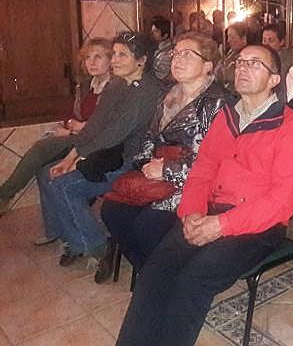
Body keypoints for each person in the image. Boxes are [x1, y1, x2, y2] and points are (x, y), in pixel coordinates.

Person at [115, 44, 293, 346]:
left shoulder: (291, 130)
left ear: (275, 80)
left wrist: (221, 225)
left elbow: (279, 203)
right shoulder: (228, 118)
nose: (243, 68)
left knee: (193, 279)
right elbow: (203, 171)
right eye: (241, 62)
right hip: (209, 212)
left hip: (259, 227)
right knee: (156, 270)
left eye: (255, 64)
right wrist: (192, 213)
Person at [97, 33, 228, 282]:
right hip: (159, 175)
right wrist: (146, 165)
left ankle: (162, 277)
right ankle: (151, 273)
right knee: (113, 210)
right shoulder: (168, 95)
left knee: (147, 224)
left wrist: (167, 169)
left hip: (195, 184)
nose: (177, 59)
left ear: (208, 65)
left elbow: (216, 161)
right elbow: (150, 137)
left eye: (187, 54)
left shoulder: (217, 102)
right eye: (176, 53)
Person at [36, 32, 164, 267]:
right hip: (108, 154)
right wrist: (70, 156)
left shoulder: (148, 90)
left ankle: (97, 246)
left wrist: (79, 158)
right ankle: (73, 239)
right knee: (49, 174)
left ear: (142, 60)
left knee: (63, 186)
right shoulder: (117, 84)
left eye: (122, 55)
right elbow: (96, 124)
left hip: (132, 161)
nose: (114, 60)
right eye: (113, 54)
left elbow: (116, 133)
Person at [0, 38, 116, 216]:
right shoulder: (85, 86)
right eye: (87, 57)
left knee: (41, 148)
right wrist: (70, 126)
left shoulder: (115, 88)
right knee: (43, 168)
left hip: (94, 141)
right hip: (77, 136)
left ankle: (4, 195)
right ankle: (53, 225)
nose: (91, 62)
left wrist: (74, 129)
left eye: (98, 57)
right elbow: (69, 114)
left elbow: (106, 124)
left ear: (110, 60)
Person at [216, 22, 248, 92]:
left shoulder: (245, 58)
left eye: (232, 37)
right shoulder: (230, 53)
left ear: (243, 39)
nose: (228, 40)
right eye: (228, 36)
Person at [151, 16, 174, 81]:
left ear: (165, 35)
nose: (152, 34)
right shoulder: (158, 47)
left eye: (156, 31)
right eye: (152, 31)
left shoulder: (168, 51)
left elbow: (161, 75)